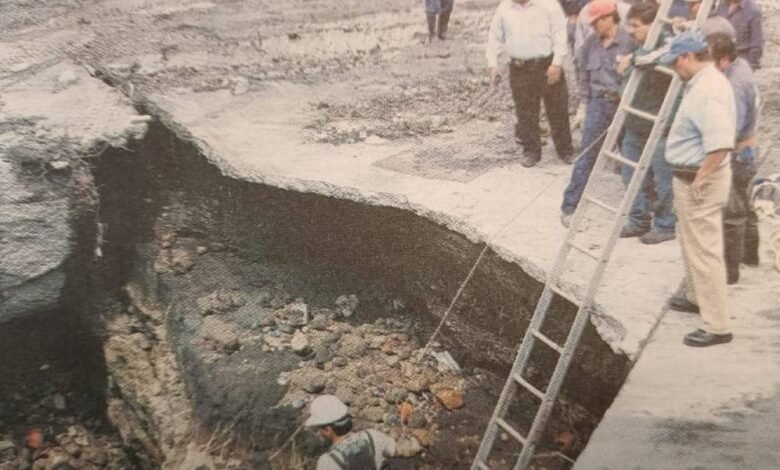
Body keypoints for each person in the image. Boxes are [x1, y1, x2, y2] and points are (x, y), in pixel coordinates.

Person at [660, 31, 736, 347]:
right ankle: (696, 297)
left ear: (689, 57)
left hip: (699, 179)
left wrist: (701, 179)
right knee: (690, 243)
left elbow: (719, 145)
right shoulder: (700, 83)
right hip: (688, 176)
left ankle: (718, 326)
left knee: (705, 252)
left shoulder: (710, 90)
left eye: (677, 62)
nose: (675, 69)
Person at [561, 0, 634, 226]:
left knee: (632, 157)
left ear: (609, 18)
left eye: (596, 22)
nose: (592, 27)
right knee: (587, 155)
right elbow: (582, 75)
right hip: (598, 105)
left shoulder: (630, 43)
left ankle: (640, 210)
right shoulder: (590, 44)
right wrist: (584, 104)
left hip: (625, 105)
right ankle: (570, 206)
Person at [486, 0, 575, 168]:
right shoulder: (504, 7)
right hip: (520, 68)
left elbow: (560, 35)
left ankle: (565, 150)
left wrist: (557, 63)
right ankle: (531, 151)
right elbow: (495, 37)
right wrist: (493, 64)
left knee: (557, 110)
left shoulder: (549, 5)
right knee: (525, 111)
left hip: (547, 65)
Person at [617, 2, 677, 244]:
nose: (630, 30)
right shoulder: (639, 45)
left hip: (660, 125)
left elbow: (651, 60)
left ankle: (665, 225)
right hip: (636, 121)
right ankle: (638, 219)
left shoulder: (668, 44)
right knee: (629, 173)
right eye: (628, 25)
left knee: (663, 178)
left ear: (654, 25)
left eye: (636, 26)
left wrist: (632, 59)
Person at [709, 32, 760, 284]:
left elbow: (731, 129)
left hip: (737, 152)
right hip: (747, 149)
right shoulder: (741, 66)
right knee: (743, 204)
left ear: (724, 60)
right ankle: (750, 255)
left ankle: (729, 272)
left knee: (731, 213)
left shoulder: (734, 85)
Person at [306, 395, 409, 469]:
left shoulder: (328, 461)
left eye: (319, 429)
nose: (318, 433)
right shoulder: (372, 436)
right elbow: (396, 449)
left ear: (328, 430)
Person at [715, 0, 764, 69]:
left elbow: (757, 43)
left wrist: (749, 67)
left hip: (740, 63)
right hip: (720, 62)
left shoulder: (753, 10)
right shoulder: (721, 5)